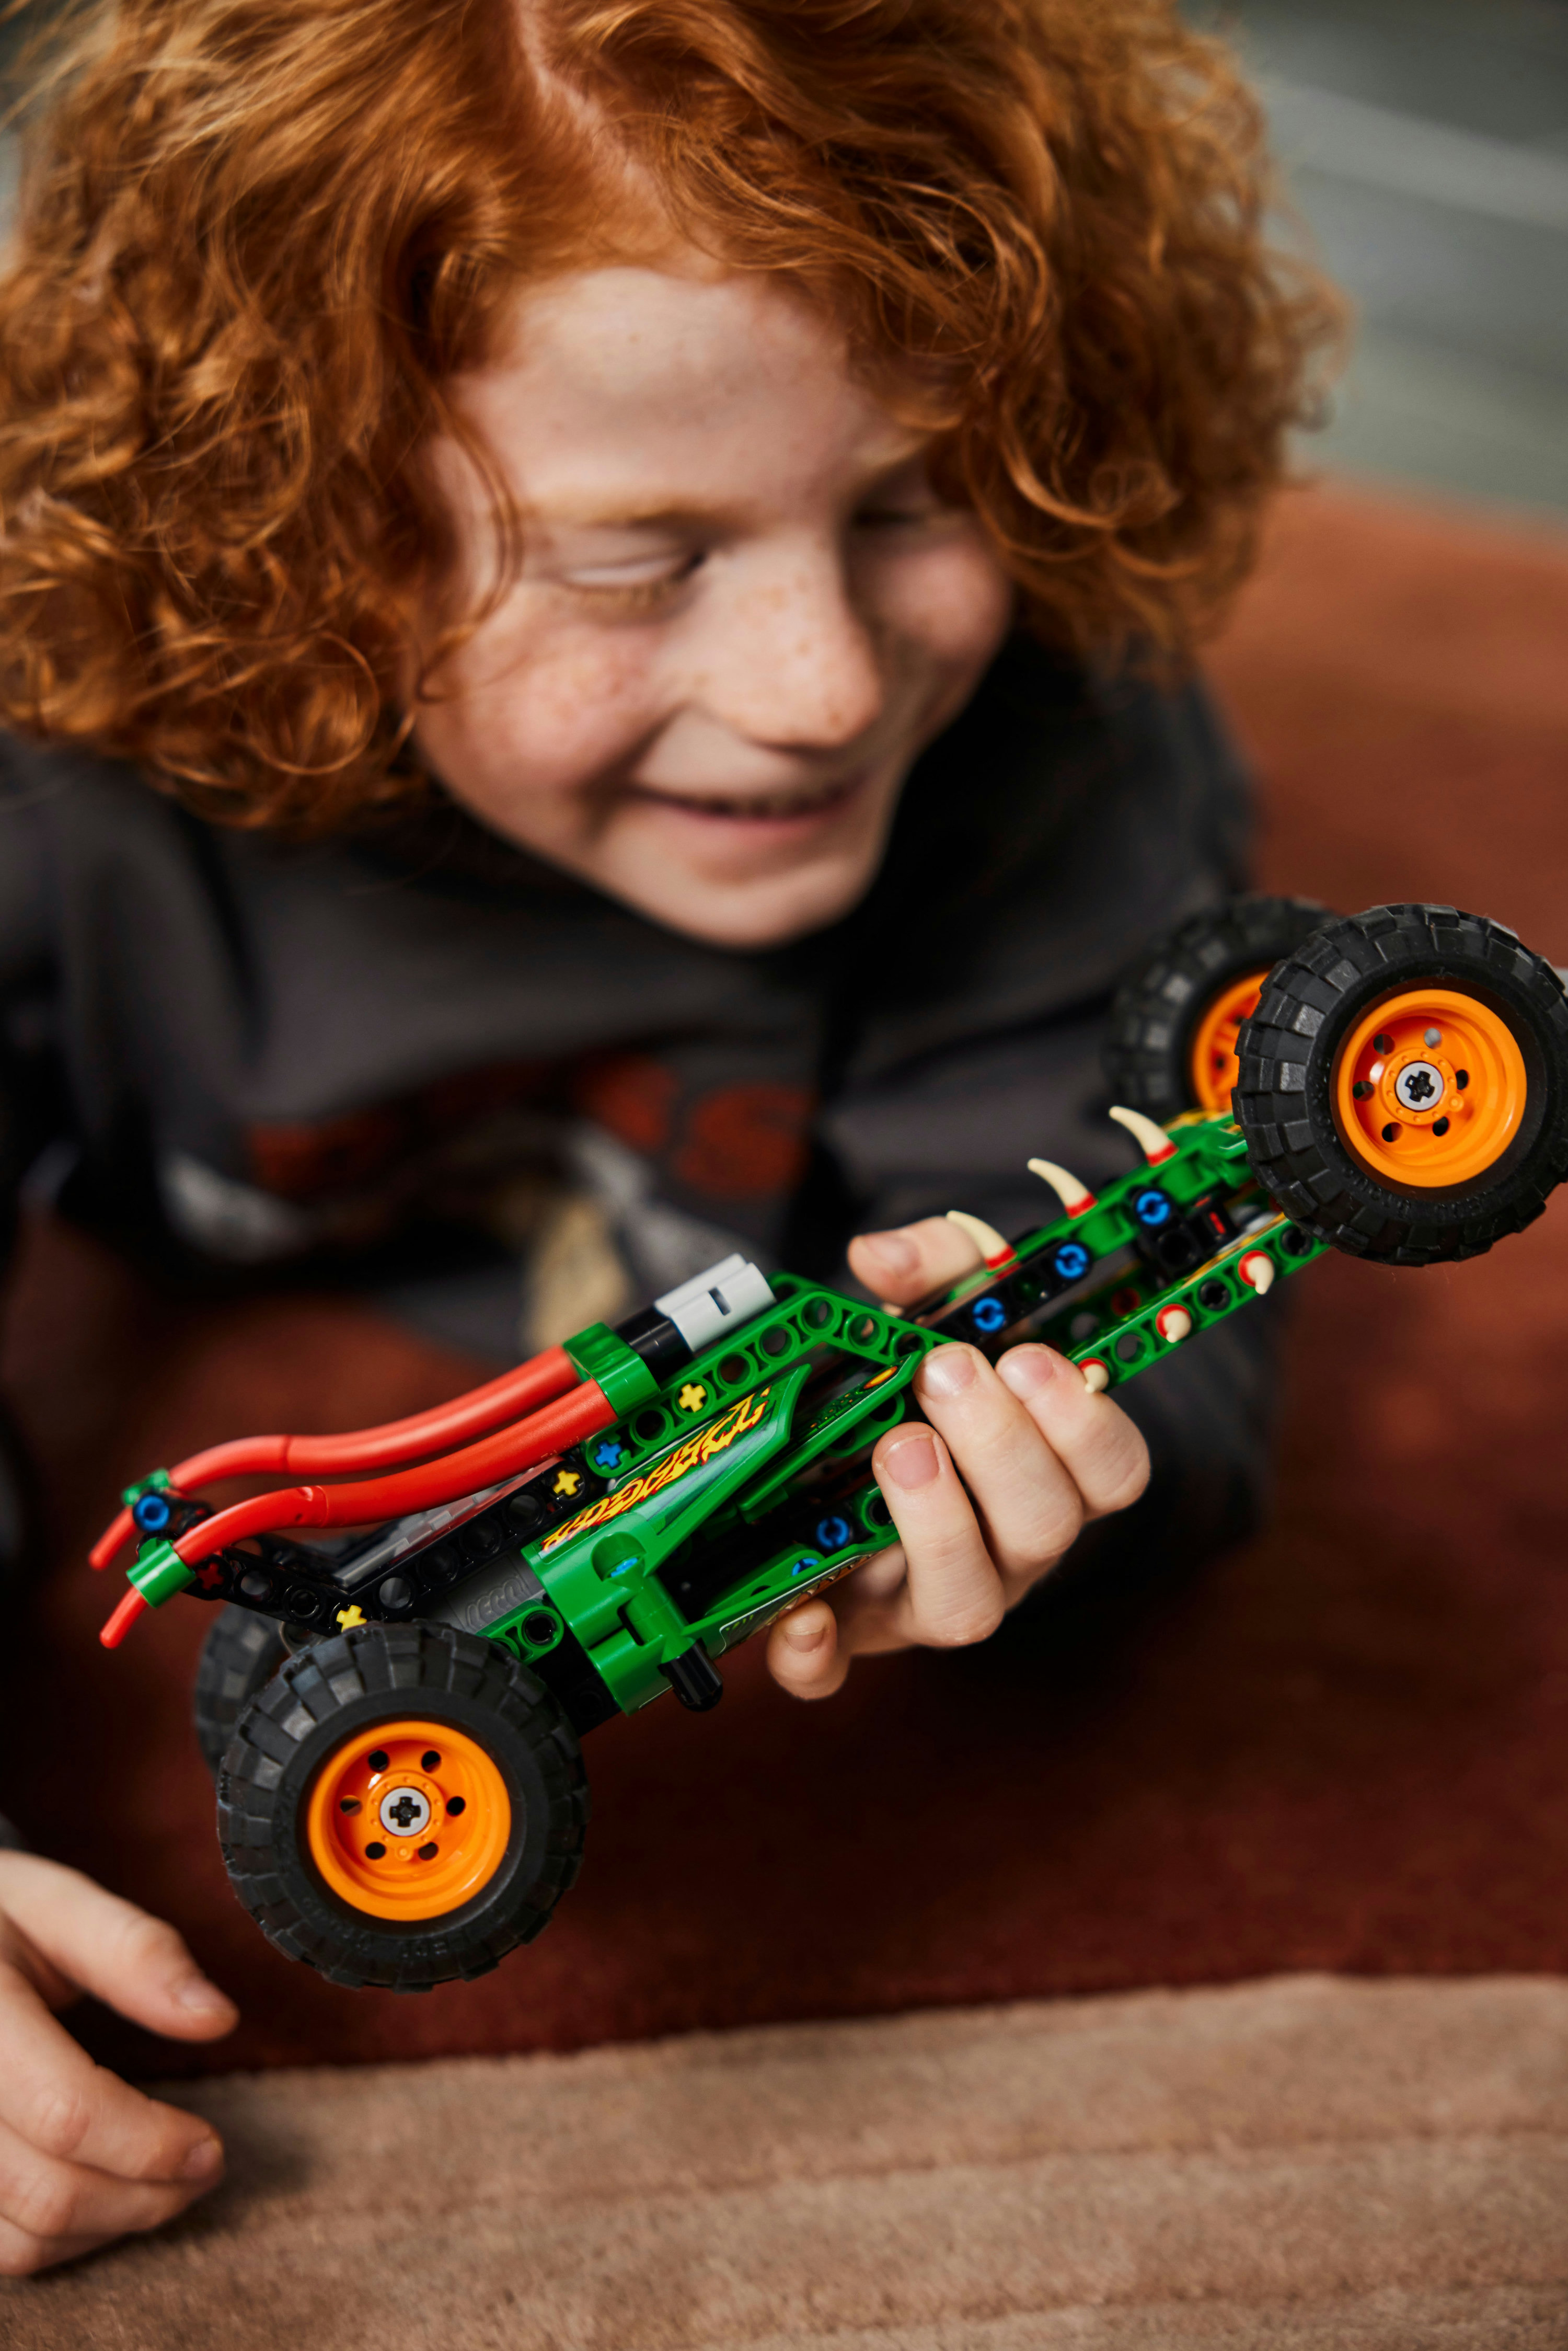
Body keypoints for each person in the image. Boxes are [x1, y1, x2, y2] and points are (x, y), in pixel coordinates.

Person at [0, 0, 1336, 2274]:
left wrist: (1052, 1486)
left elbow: (1171, 1322)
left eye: (912, 499)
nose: (828, 686)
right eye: (638, 563)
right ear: (300, 518)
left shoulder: (1049, 751)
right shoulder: (67, 787)